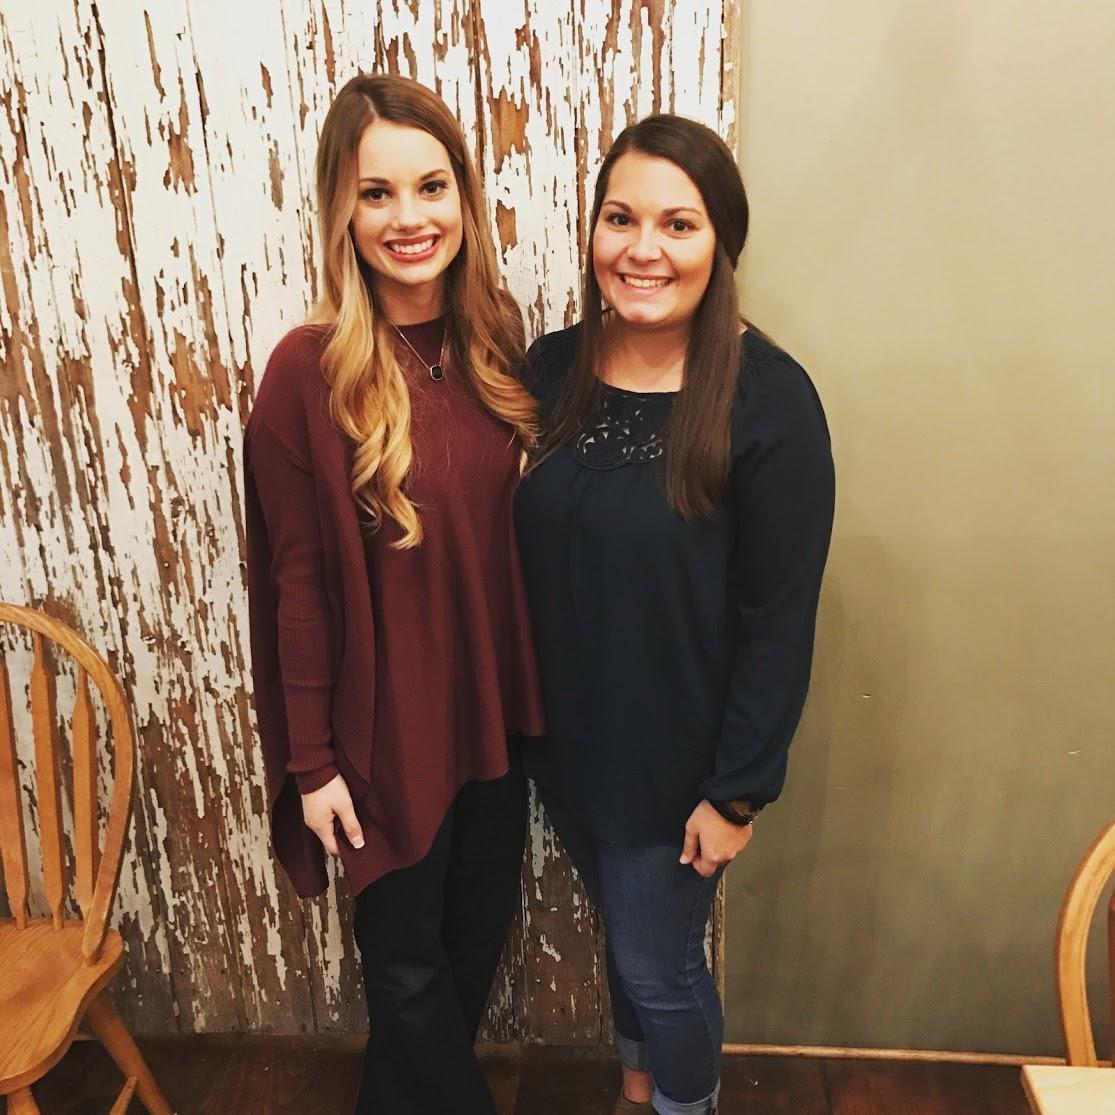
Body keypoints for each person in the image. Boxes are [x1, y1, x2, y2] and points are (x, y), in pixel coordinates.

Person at [514, 114, 835, 1115]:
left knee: (659, 964)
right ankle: (636, 1090)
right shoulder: (550, 368)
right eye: (620, 218)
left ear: (720, 242)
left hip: (680, 773)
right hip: (568, 747)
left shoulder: (768, 403)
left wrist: (736, 793)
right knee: (630, 940)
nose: (642, 248)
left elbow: (779, 618)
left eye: (677, 223)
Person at [243, 73, 545, 1115]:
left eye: (430, 186)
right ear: (341, 208)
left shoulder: (492, 338)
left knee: (466, 957)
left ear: (462, 195)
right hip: (381, 740)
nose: (408, 218)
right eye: (376, 193)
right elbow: (295, 582)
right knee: (409, 976)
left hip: (490, 721)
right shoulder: (307, 372)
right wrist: (312, 761)